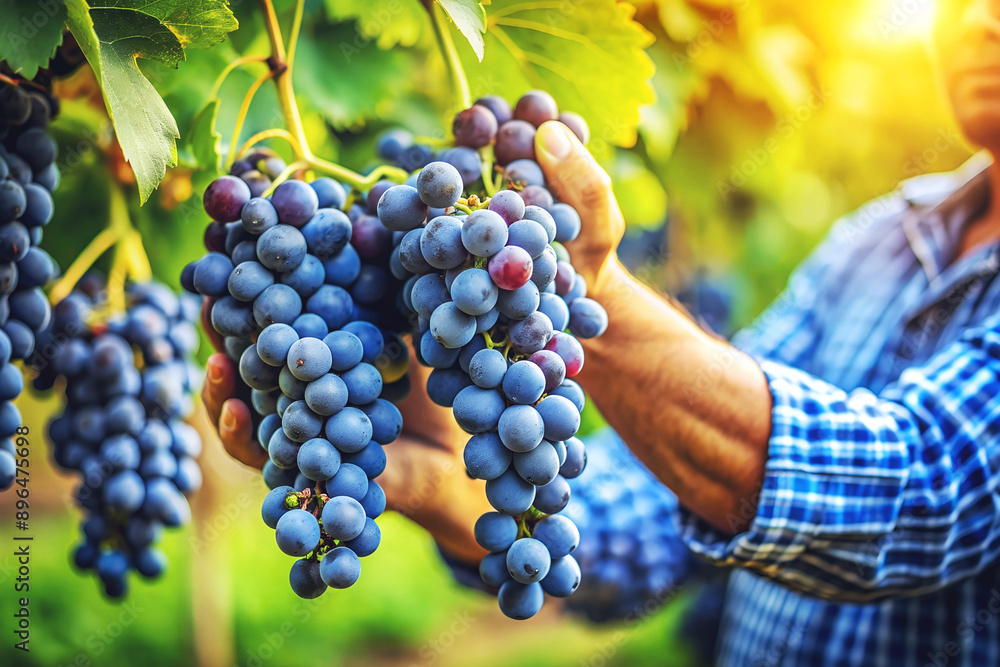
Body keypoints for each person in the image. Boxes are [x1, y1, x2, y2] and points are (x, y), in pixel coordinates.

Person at [203, 1, 1000, 663]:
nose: (980, 22)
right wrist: (445, 484)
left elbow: (911, 497)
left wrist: (586, 282)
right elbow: (653, 529)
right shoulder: (876, 240)